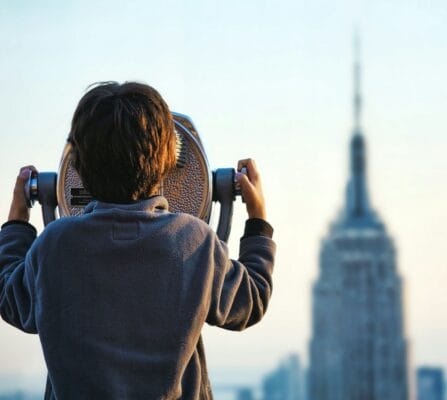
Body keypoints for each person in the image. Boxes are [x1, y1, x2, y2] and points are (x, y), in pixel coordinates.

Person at [0, 82, 275, 400]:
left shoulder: (54, 246)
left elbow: (10, 298)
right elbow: (251, 301)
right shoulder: (193, 242)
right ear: (168, 161)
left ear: (77, 164)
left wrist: (17, 222)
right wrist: (257, 221)